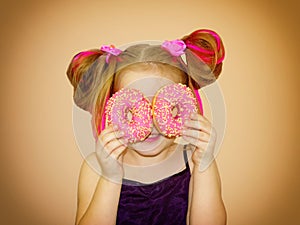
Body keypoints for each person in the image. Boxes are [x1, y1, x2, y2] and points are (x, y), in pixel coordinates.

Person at [66, 29, 227, 225]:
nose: (151, 123)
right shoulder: (97, 168)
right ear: (112, 108)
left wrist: (205, 164)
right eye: (133, 110)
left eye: (165, 107)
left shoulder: (194, 161)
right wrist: (111, 177)